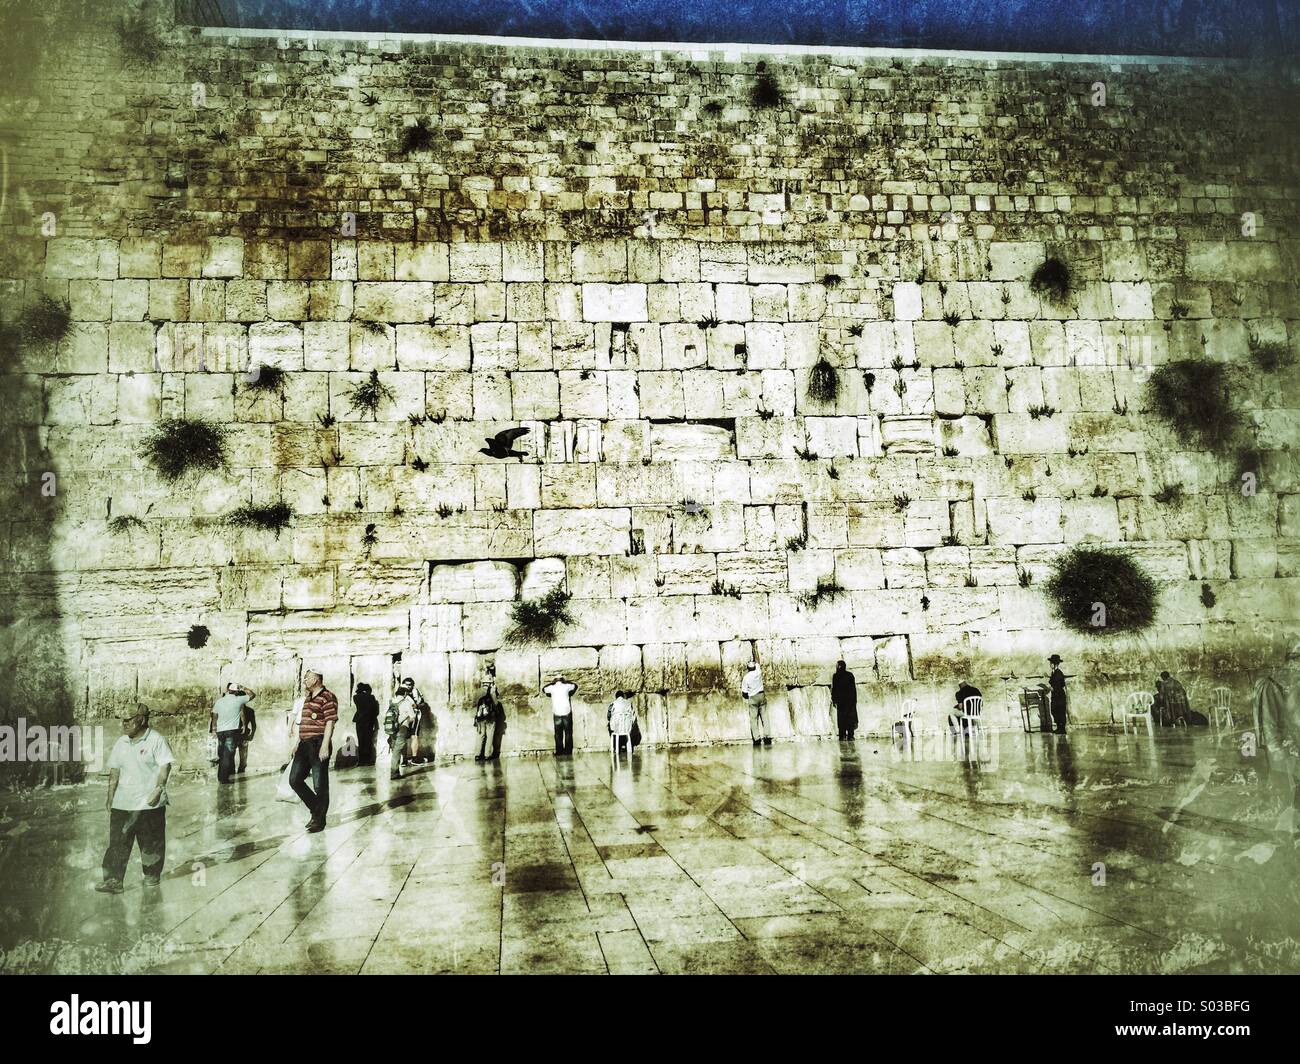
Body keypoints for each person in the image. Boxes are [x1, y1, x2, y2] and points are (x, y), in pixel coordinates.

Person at [95, 703, 174, 894]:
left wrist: (159, 788)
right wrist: (110, 796)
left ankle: (151, 876)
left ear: (142, 720)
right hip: (123, 803)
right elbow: (115, 770)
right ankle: (114, 880)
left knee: (151, 842)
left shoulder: (156, 740)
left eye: (129, 719)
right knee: (117, 843)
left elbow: (165, 767)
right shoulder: (121, 741)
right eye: (123, 720)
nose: (125, 723)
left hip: (149, 803)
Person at [1253, 643, 1300, 823]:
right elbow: (1269, 722)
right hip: (1285, 750)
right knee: (1287, 793)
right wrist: (1278, 751)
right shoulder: (1273, 684)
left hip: (1290, 747)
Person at [289, 669, 337, 832]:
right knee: (294, 780)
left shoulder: (328, 697)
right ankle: (317, 809)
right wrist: (297, 741)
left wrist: (325, 745)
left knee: (319, 784)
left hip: (318, 743)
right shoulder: (308, 698)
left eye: (307, 678)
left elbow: (330, 722)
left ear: (317, 679)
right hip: (304, 743)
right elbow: (304, 722)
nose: (304, 680)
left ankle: (319, 820)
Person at [210, 682, 255, 784]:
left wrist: (213, 729)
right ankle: (223, 779)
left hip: (220, 731)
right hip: (231, 731)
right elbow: (252, 695)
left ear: (227, 690)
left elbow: (214, 716)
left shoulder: (219, 701)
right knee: (227, 755)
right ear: (236, 691)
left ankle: (221, 776)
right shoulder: (238, 700)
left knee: (222, 754)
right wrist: (243, 687)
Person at [387, 678, 421, 779]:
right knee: (397, 751)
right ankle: (394, 773)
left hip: (392, 728)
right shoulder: (406, 702)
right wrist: (406, 721)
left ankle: (396, 770)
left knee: (395, 750)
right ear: (405, 694)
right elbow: (412, 717)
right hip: (402, 727)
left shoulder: (392, 701)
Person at [543, 674, 578, 755]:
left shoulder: (551, 687)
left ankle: (559, 751)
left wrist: (551, 683)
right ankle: (568, 751)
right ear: (562, 679)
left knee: (558, 734)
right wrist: (566, 681)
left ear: (555, 680)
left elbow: (543, 689)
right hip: (567, 712)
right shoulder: (567, 686)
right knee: (568, 732)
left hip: (557, 712)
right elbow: (575, 685)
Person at [741, 660, 771, 746]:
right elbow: (757, 663)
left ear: (747, 668)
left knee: (754, 719)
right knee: (765, 716)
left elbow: (744, 692)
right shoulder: (758, 672)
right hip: (761, 695)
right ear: (754, 667)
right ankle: (767, 737)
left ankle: (757, 739)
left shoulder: (746, 678)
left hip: (752, 698)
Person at [473, 679, 502, 762]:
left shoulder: (477, 692)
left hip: (479, 717)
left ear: (483, 683)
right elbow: (496, 704)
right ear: (490, 683)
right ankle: (487, 755)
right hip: (490, 717)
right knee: (490, 735)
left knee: (480, 735)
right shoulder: (491, 691)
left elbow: (474, 704)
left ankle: (477, 755)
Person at [353, 682, 379, 766]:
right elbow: (375, 711)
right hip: (369, 720)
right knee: (368, 740)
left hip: (359, 720)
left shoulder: (356, 697)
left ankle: (361, 761)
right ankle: (368, 760)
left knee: (361, 740)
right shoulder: (371, 697)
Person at [831, 660, 857, 741]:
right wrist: (854, 700)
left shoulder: (836, 676)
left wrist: (834, 700)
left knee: (842, 719)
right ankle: (850, 736)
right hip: (849, 701)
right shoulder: (850, 675)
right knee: (850, 718)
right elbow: (853, 689)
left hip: (841, 702)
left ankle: (842, 736)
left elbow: (834, 690)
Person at [607, 690, 639, 755]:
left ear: (616, 697)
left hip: (616, 728)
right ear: (623, 696)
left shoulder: (613, 704)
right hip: (627, 728)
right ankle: (629, 747)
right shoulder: (629, 703)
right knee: (627, 728)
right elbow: (634, 717)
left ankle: (616, 747)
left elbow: (608, 716)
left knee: (609, 726)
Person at [1048, 654, 1068, 734]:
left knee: (1059, 711)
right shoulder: (1054, 672)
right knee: (1055, 710)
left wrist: (1052, 688)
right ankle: (1059, 728)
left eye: (1051, 663)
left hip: (1059, 696)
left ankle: (1062, 729)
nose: (1050, 665)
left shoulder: (1058, 673)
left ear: (1054, 664)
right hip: (1057, 695)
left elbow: (1059, 685)